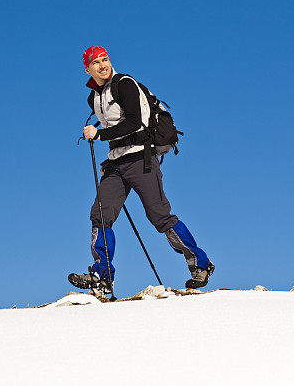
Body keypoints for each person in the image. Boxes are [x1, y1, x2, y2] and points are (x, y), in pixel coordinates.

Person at [69, 46, 214, 293]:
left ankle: (200, 263)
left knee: (160, 216)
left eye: (105, 59)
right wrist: (108, 159)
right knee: (100, 215)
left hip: (141, 159)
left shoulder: (124, 84)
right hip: (116, 164)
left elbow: (136, 123)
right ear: (87, 69)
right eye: (96, 62)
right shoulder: (93, 97)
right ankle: (101, 275)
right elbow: (117, 132)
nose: (103, 65)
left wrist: (99, 134)